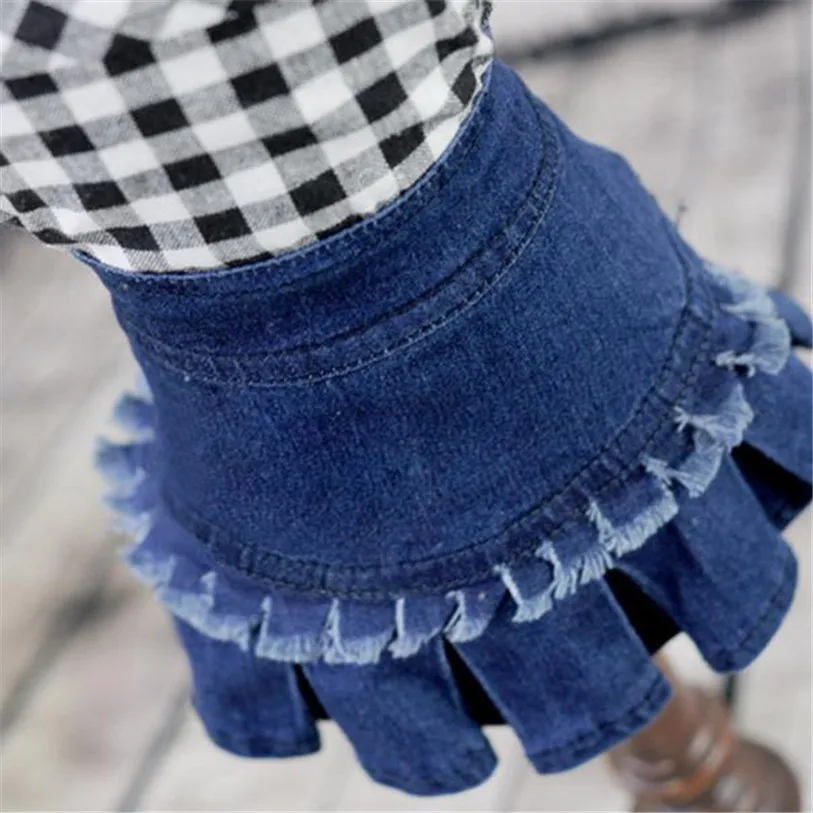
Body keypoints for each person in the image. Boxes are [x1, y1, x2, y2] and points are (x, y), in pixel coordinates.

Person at [2, 0, 811, 799]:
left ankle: (682, 758)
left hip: (502, 276)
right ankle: (682, 758)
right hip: (276, 410)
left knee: (593, 539)